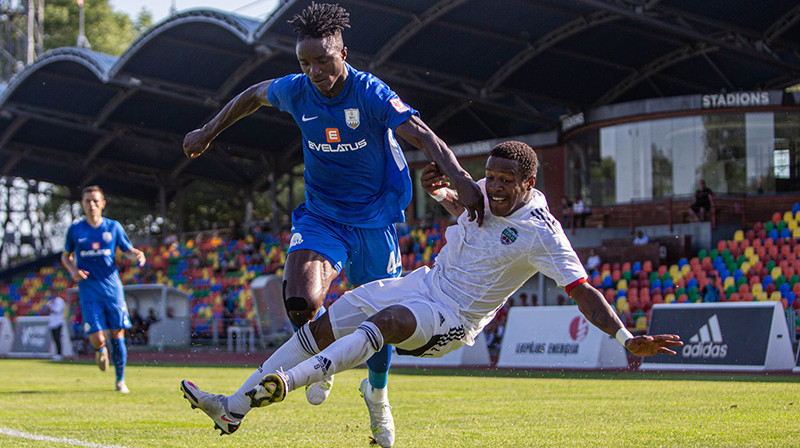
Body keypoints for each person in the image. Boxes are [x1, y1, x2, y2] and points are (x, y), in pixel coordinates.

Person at [180, 141, 682, 446]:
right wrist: (443, 191)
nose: (495, 187)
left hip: (456, 319)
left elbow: (583, 290)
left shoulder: (542, 231)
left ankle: (291, 383)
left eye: (507, 180)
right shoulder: (482, 197)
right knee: (331, 318)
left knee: (391, 322)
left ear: (529, 183)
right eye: (490, 176)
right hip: (425, 281)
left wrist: (624, 336)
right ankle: (234, 406)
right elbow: (470, 222)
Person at [181, 3, 483, 442]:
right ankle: (321, 363)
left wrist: (460, 177)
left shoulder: (370, 92)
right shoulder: (296, 90)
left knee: (381, 323)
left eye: (323, 59)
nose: (315, 70)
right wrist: (207, 132)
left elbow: (419, 132)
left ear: (343, 51)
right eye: (305, 63)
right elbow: (251, 96)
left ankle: (377, 395)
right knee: (301, 301)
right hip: (323, 215)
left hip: (375, 220)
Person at [61, 185, 146, 394]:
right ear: (83, 204)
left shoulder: (113, 227)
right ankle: (100, 350)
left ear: (103, 204)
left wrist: (136, 254)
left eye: (95, 201)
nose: (92, 204)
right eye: (88, 201)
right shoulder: (75, 230)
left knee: (117, 335)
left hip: (112, 290)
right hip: (88, 290)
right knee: (98, 337)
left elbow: (126, 250)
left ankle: (120, 380)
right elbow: (65, 255)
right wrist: (73, 270)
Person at [46, 295, 66, 360]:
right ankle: (56, 353)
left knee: (58, 338)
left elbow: (57, 310)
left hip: (58, 322)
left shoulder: (60, 301)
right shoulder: (50, 301)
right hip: (52, 323)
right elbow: (47, 310)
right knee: (54, 338)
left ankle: (59, 353)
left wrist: (50, 308)